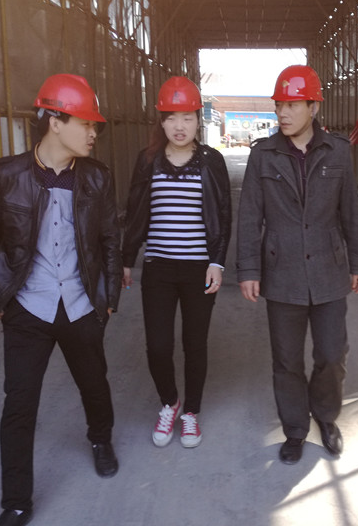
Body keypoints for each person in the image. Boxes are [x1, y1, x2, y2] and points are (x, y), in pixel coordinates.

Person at [0, 74, 122, 526]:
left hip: (80, 302)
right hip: (28, 306)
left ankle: (100, 438)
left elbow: (110, 240)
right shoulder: (7, 175)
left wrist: (108, 298)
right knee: (19, 404)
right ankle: (16, 501)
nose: (93, 133)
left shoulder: (97, 177)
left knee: (94, 384)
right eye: (86, 123)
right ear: (55, 122)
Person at [237, 65, 358, 465]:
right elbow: (250, 216)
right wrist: (249, 269)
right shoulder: (263, 154)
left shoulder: (337, 151)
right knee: (287, 359)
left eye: (292, 105)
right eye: (279, 104)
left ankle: (326, 417)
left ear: (313, 107)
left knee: (332, 353)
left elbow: (350, 212)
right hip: (282, 272)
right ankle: (295, 428)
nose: (283, 112)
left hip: (329, 269)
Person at [122, 76, 231, 449]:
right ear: (161, 121)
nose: (179, 126)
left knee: (195, 343)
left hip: (199, 269)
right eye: (171, 118)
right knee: (157, 345)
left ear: (198, 119)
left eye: (187, 117)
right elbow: (135, 211)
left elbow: (223, 216)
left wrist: (217, 262)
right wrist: (126, 258)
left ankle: (191, 413)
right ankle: (170, 403)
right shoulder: (147, 160)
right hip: (159, 269)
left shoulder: (212, 161)